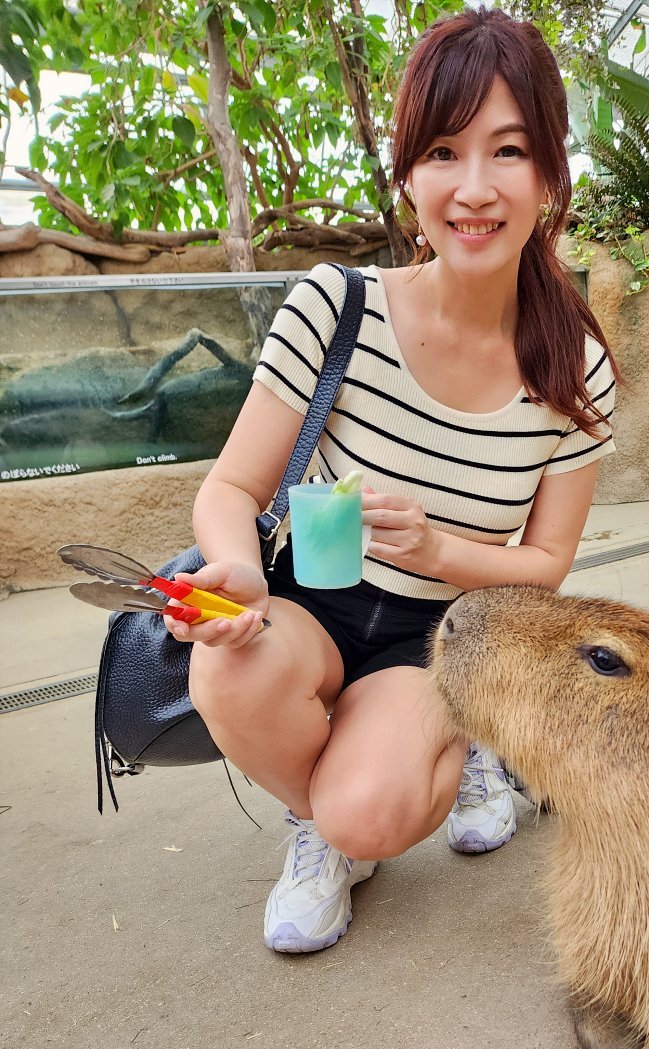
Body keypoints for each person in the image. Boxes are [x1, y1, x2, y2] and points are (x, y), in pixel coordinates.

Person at [163, 5, 619, 955]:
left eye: (509, 150)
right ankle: (317, 829)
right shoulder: (335, 306)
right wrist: (235, 572)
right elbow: (230, 489)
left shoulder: (571, 366)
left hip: (442, 635)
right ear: (408, 171)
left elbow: (545, 567)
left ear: (549, 173)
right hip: (315, 602)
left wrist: (440, 549)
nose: (474, 188)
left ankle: (458, 742)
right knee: (228, 666)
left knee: (371, 811)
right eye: (443, 152)